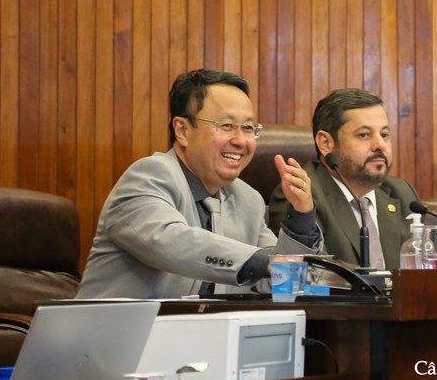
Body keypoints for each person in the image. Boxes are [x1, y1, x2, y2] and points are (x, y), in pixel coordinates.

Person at [77, 69, 323, 298]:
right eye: (226, 126)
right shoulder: (148, 176)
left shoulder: (248, 199)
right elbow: (169, 241)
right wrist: (262, 262)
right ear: (183, 130)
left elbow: (277, 283)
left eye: (248, 128)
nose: (241, 140)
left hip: (209, 330)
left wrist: (302, 217)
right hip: (117, 331)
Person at [268, 89, 420, 270]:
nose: (380, 145)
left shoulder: (401, 193)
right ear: (326, 143)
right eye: (364, 135)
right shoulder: (301, 196)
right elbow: (312, 271)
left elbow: (435, 261)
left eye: (384, 135)